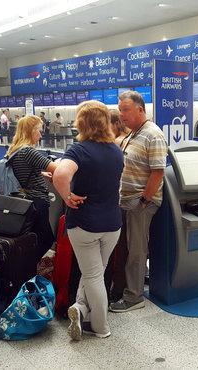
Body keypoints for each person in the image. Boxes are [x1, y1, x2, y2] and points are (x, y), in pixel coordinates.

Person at [53, 100, 123, 341]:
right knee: (94, 271)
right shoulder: (116, 150)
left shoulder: (78, 149)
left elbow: (62, 174)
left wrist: (67, 196)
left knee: (92, 275)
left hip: (85, 224)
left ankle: (100, 326)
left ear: (81, 122)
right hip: (112, 224)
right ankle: (81, 309)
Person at [109, 91, 167, 313]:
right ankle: (122, 289)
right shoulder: (133, 134)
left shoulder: (153, 134)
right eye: (120, 109)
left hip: (140, 202)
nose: (121, 114)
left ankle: (135, 297)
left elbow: (158, 173)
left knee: (136, 250)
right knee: (124, 249)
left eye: (125, 110)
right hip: (126, 200)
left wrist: (143, 201)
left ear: (140, 110)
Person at [6, 115, 60, 262]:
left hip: (24, 201)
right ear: (31, 131)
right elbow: (58, 169)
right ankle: (27, 267)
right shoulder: (29, 152)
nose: (41, 135)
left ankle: (24, 269)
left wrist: (40, 172)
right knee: (45, 239)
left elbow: (21, 171)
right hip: (37, 201)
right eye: (39, 131)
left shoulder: (14, 150)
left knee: (30, 239)